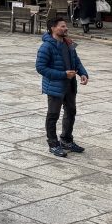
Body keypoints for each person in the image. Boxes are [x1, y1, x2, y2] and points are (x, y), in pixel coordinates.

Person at [36, 18, 89, 157]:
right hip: (55, 86)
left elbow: (76, 61)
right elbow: (40, 68)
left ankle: (66, 140)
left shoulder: (69, 43)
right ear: (53, 28)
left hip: (70, 85)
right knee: (53, 115)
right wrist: (63, 74)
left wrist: (83, 73)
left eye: (66, 26)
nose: (66, 28)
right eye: (62, 26)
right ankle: (53, 144)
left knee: (71, 112)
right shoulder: (46, 47)